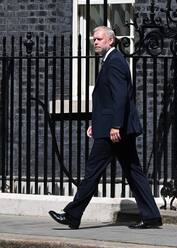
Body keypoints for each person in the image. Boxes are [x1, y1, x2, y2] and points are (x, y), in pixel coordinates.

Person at [49, 26, 162, 229]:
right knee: (134, 171)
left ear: (111, 40)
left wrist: (115, 126)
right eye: (94, 39)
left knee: (93, 172)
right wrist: (96, 123)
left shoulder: (115, 61)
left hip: (115, 130)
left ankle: (72, 215)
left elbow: (120, 98)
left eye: (99, 39)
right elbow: (108, 99)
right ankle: (152, 216)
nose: (95, 42)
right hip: (112, 128)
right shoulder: (110, 61)